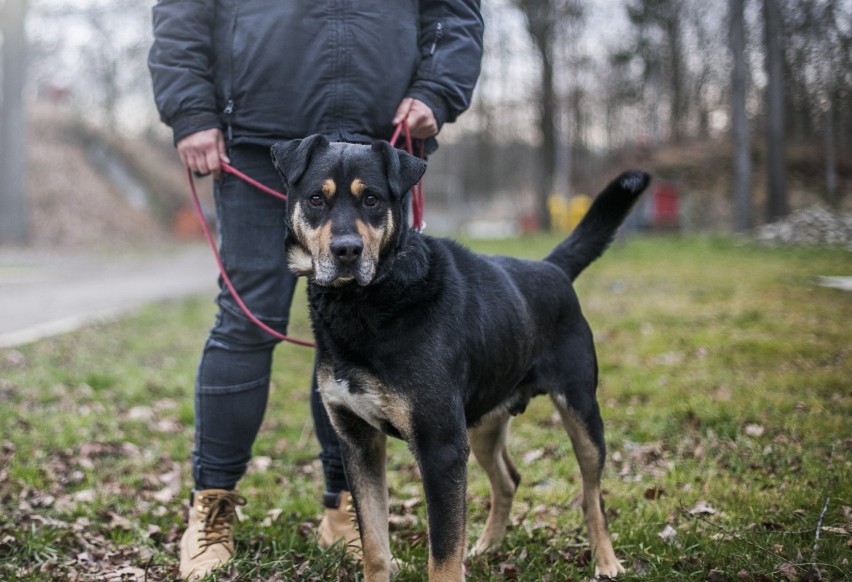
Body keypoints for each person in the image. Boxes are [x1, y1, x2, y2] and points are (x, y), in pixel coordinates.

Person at [147, 1, 484, 579]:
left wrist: (438, 88)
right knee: (246, 321)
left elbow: (455, 9)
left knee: (361, 334)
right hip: (258, 132)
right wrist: (191, 108)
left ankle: (347, 507)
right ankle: (213, 507)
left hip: (384, 138)